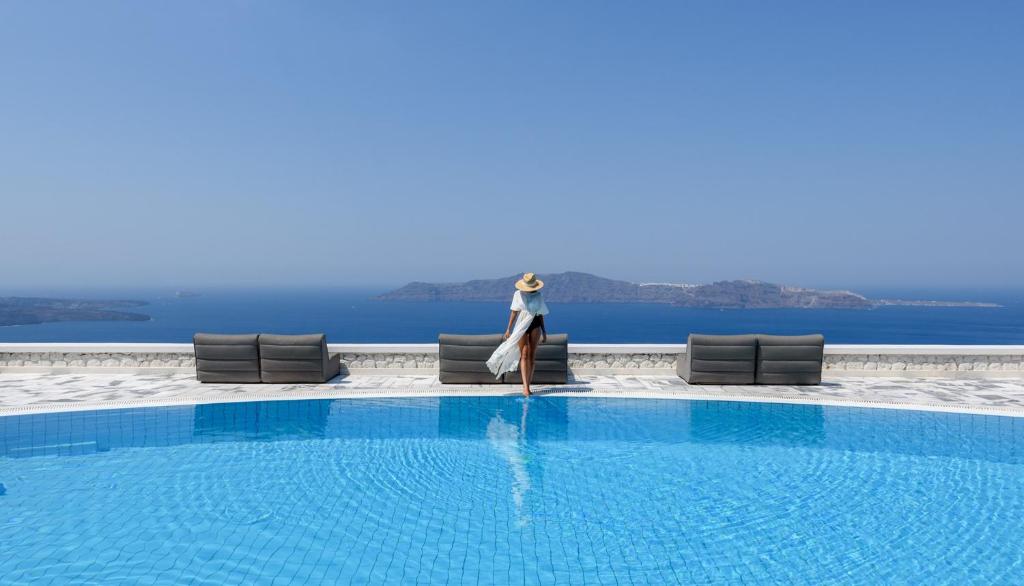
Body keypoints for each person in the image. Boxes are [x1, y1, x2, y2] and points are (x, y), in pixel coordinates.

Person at [486, 272, 549, 396]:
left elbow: (541, 314)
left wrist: (544, 331)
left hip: (535, 324)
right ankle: (525, 387)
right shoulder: (517, 294)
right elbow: (514, 312)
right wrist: (508, 329)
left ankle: (529, 385)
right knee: (524, 354)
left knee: (532, 355)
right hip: (521, 325)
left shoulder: (538, 295)